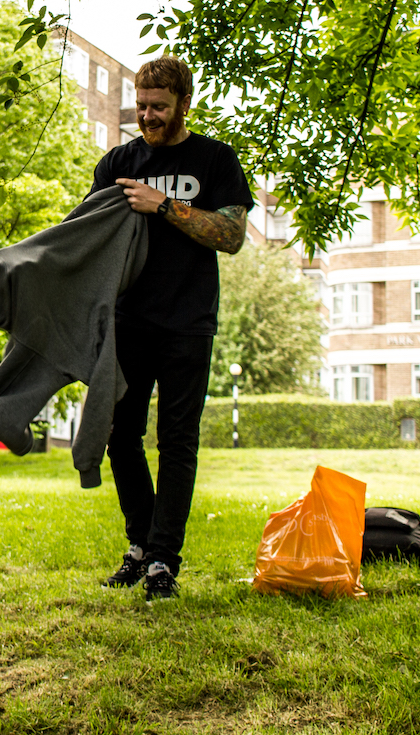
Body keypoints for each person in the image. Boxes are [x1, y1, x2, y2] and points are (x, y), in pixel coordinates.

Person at [90, 55, 253, 600]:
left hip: (187, 321)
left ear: (184, 103)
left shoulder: (214, 159)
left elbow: (230, 236)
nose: (147, 117)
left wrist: (164, 206)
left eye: (158, 107)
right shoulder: (117, 161)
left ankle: (164, 560)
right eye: (140, 106)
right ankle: (140, 547)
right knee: (122, 436)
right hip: (127, 321)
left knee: (177, 442)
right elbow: (87, 237)